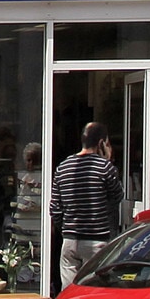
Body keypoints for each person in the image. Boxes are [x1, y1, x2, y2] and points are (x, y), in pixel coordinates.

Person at [53, 121, 123, 288]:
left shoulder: (62, 167)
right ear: (101, 143)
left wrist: (66, 229)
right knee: (93, 290)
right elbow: (117, 196)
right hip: (96, 240)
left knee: (69, 290)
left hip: (70, 240)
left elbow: (55, 209)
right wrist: (108, 160)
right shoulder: (105, 167)